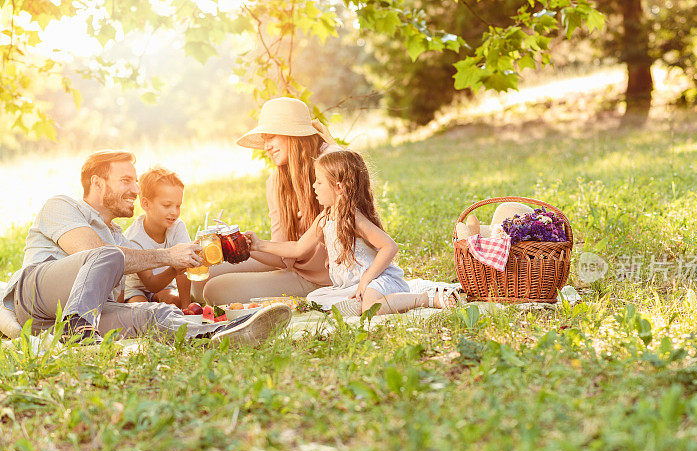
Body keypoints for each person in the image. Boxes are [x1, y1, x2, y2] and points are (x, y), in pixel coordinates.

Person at [0, 150, 290, 344]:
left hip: (66, 321)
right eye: (126, 180)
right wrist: (167, 255)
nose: (136, 190)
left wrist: (179, 265)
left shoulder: (120, 239)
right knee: (107, 254)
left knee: (153, 314)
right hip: (34, 296)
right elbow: (90, 252)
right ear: (97, 183)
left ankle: (225, 332)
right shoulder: (61, 205)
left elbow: (129, 285)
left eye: (136, 181)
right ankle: (81, 331)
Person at [246, 150, 460, 316]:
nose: (314, 186)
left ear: (338, 187)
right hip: (351, 284)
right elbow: (297, 247)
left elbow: (389, 246)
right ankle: (370, 300)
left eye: (319, 181)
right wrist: (258, 245)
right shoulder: (324, 218)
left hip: (378, 278)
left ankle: (425, 299)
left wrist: (367, 279)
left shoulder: (352, 218)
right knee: (316, 300)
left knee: (370, 308)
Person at [198, 97, 339, 305]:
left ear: (292, 133)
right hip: (294, 264)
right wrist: (250, 246)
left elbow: (356, 193)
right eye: (264, 139)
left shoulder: (331, 163)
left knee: (215, 290)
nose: (267, 147)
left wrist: (335, 149)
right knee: (202, 275)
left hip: (325, 278)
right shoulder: (277, 181)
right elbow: (282, 256)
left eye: (271, 137)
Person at [123, 166, 191, 309]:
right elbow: (151, 284)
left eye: (178, 206)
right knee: (142, 310)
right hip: (136, 289)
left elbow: (183, 271)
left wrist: (186, 308)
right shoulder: (133, 239)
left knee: (174, 302)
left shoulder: (177, 227)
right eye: (167, 205)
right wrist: (175, 268)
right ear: (146, 204)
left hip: (165, 285)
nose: (174, 212)